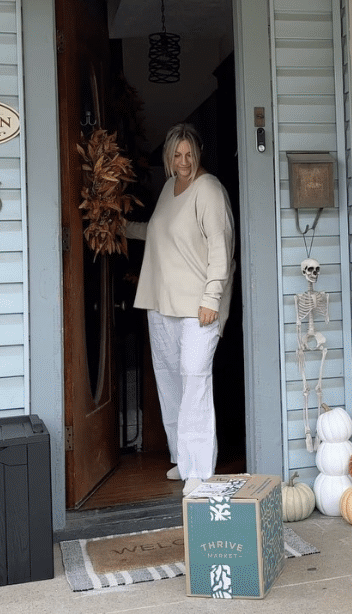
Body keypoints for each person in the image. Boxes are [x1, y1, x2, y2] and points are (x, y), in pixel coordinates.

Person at [122, 123, 236, 496]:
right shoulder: (170, 189)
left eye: (189, 154)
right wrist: (120, 227)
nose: (183, 161)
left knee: (195, 379)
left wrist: (212, 299)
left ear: (197, 154)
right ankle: (182, 457)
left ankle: (200, 469)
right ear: (169, 157)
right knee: (170, 381)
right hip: (162, 303)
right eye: (177, 155)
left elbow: (221, 248)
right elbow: (158, 232)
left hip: (197, 307)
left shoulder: (209, 190)